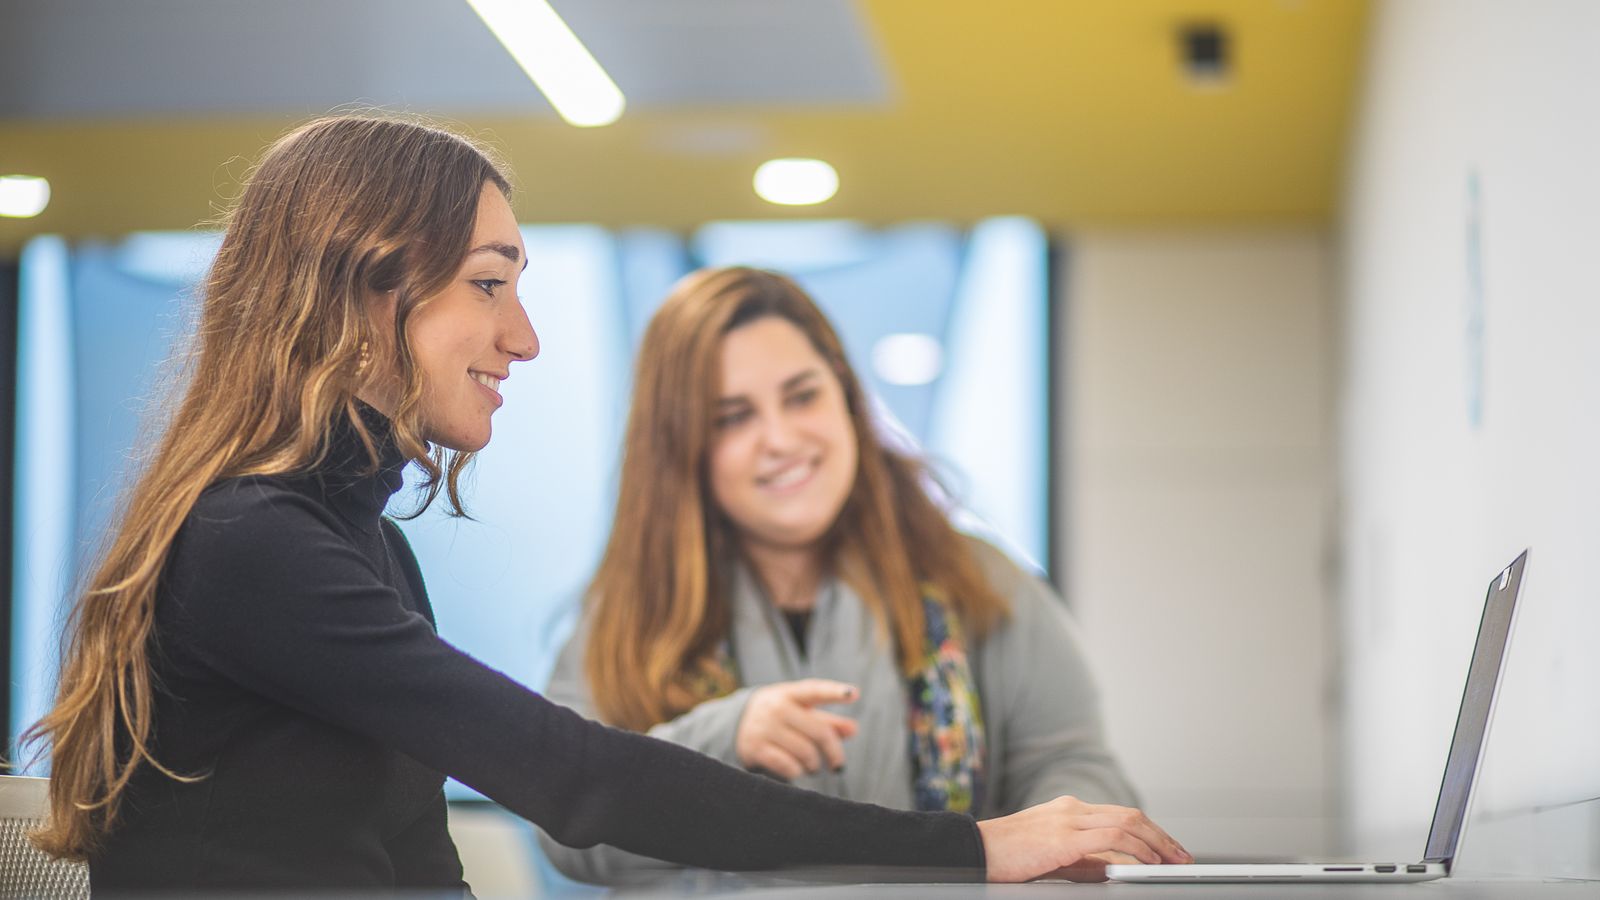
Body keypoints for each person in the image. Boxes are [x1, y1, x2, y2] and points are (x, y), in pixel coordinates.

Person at [22, 115, 1189, 892]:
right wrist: (971, 846)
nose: (523, 337)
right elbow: (576, 783)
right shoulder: (251, 546)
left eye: (802, 397)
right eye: (489, 285)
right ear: (363, 291)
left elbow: (418, 861)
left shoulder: (361, 542)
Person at [538, 267, 1143, 885]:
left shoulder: (980, 579)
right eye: (732, 417)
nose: (780, 438)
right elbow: (568, 830)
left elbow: (1074, 764)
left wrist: (1069, 836)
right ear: (680, 447)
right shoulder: (626, 612)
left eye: (803, 396)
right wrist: (723, 739)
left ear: (848, 399)